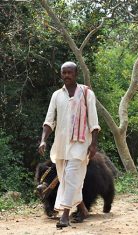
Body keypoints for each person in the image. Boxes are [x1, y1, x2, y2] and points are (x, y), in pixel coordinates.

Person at [38, 61, 101, 228]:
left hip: (81, 143)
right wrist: (43, 139)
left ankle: (64, 214)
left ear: (76, 74)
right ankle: (82, 209)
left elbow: (94, 121)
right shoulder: (56, 95)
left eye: (69, 73)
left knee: (72, 175)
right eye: (64, 73)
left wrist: (93, 143)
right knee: (68, 180)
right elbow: (49, 121)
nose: (66, 75)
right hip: (60, 145)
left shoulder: (87, 94)